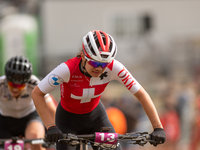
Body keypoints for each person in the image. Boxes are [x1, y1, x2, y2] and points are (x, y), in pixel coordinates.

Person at [31, 30, 166, 150]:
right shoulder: (67, 69)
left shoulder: (115, 67)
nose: (100, 68)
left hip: (96, 118)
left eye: (104, 64)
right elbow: (37, 93)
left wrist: (158, 127)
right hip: (67, 121)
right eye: (95, 63)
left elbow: (141, 94)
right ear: (83, 56)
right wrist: (50, 126)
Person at [0, 56, 57, 150]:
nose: (15, 88)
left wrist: (55, 128)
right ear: (7, 81)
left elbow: (51, 108)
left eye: (20, 85)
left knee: (36, 141)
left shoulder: (34, 83)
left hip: (29, 117)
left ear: (26, 82)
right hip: (5, 120)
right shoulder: (1, 84)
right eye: (12, 84)